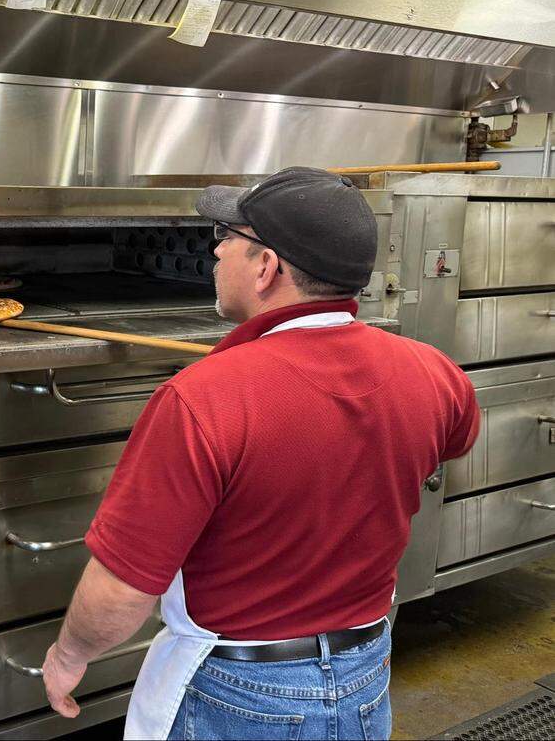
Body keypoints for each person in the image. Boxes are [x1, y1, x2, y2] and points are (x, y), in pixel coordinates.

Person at [38, 167, 479, 740]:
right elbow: (452, 443)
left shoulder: (200, 398)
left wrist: (68, 655)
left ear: (266, 267)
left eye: (227, 238)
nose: (216, 252)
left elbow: (123, 589)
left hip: (240, 697)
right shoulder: (435, 372)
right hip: (366, 675)